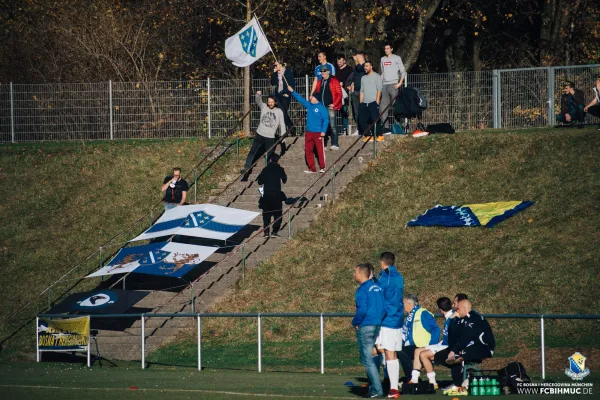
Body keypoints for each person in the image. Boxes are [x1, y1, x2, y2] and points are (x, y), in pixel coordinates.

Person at [442, 300, 496, 395]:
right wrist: (452, 321)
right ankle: (460, 379)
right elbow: (453, 336)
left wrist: (453, 351)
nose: (456, 310)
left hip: (484, 347)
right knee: (445, 354)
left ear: (464, 308)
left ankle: (461, 382)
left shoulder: (474, 319)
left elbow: (466, 338)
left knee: (458, 353)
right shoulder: (462, 319)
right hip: (471, 345)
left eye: (458, 308)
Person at [352, 263, 386, 398]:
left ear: (361, 274)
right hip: (377, 325)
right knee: (372, 356)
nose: (354, 275)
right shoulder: (377, 288)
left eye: (355, 272)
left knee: (367, 359)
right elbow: (384, 308)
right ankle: (373, 387)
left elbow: (362, 310)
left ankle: (377, 389)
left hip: (366, 325)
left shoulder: (362, 290)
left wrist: (355, 322)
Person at [374, 252, 404, 399]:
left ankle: (393, 388)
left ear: (382, 262)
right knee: (388, 352)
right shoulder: (399, 276)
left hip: (388, 320)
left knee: (389, 353)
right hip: (397, 318)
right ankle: (391, 384)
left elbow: (381, 296)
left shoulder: (386, 277)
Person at [408, 297, 454, 390]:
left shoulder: (452, 318)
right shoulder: (449, 317)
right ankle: (414, 379)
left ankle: (432, 382)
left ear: (440, 310)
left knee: (423, 354)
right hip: (443, 344)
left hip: (447, 346)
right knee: (417, 350)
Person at [241, 90, 286, 181]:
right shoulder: (264, 106)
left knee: (268, 156)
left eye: (272, 102)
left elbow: (282, 124)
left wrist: (283, 137)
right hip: (260, 134)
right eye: (269, 102)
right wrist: (258, 95)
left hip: (270, 137)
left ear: (275, 102)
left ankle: (268, 174)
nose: (270, 104)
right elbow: (258, 101)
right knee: (252, 152)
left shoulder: (279, 111)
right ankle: (246, 169)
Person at [398, 294, 440, 380]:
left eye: (403, 303)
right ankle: (396, 378)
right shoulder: (410, 316)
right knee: (395, 349)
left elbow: (435, 329)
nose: (402, 306)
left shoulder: (423, 313)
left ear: (409, 304)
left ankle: (410, 377)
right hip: (411, 345)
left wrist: (432, 346)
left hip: (421, 346)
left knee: (401, 350)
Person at [288, 85, 329, 174]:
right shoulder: (309, 105)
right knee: (308, 150)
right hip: (309, 132)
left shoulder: (322, 108)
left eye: (312, 96)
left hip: (318, 132)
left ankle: (322, 167)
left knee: (320, 150)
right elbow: (301, 99)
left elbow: (326, 119)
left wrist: (323, 131)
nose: (311, 98)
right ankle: (312, 168)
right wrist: (292, 91)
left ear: (316, 98)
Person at [257, 153, 287, 238]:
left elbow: (259, 181)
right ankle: (275, 232)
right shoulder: (280, 169)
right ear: (277, 160)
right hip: (276, 195)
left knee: (266, 215)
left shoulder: (265, 169)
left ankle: (266, 232)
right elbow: (284, 179)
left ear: (270, 160)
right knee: (278, 214)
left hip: (266, 195)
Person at [313, 65, 342, 150]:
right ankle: (323, 144)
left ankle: (335, 144)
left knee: (332, 125)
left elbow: (339, 94)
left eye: (324, 71)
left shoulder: (334, 80)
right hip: (322, 106)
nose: (323, 73)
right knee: (322, 126)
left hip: (330, 106)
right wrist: (313, 98)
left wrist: (334, 103)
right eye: (321, 72)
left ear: (328, 71)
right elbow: (317, 92)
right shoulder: (320, 81)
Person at [379, 44, 406, 132]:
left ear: (391, 49)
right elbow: (382, 72)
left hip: (394, 84)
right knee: (383, 107)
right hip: (384, 85)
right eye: (385, 48)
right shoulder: (382, 59)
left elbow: (403, 71)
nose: (386, 50)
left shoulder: (397, 58)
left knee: (396, 106)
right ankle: (386, 128)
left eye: (388, 48)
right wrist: (380, 83)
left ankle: (398, 126)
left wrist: (400, 83)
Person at [359, 61, 383, 142]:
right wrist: (361, 102)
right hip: (364, 102)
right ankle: (368, 135)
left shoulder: (377, 76)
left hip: (373, 102)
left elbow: (379, 89)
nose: (365, 68)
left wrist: (377, 101)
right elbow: (361, 91)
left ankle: (379, 135)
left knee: (375, 118)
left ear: (371, 66)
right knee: (362, 120)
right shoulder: (363, 78)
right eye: (364, 66)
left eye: (367, 66)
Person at [270, 61, 296, 135]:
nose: (275, 66)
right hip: (278, 95)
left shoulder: (288, 72)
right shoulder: (276, 74)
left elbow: (292, 84)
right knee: (281, 113)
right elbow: (273, 83)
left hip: (285, 95)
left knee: (283, 113)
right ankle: (289, 128)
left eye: (276, 65)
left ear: (281, 65)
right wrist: (274, 74)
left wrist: (287, 93)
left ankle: (290, 127)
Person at [347, 51, 366, 134]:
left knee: (364, 111)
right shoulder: (356, 67)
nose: (357, 59)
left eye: (358, 58)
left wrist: (357, 61)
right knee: (356, 112)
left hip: (364, 92)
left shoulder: (366, 66)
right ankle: (359, 129)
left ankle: (366, 128)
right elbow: (353, 75)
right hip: (356, 91)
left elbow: (360, 69)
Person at [336, 55, 353, 135]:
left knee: (345, 110)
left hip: (346, 93)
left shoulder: (349, 69)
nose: (339, 63)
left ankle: (344, 128)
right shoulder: (336, 70)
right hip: (337, 93)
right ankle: (337, 129)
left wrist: (345, 84)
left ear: (344, 61)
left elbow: (351, 79)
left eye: (340, 61)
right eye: (338, 62)